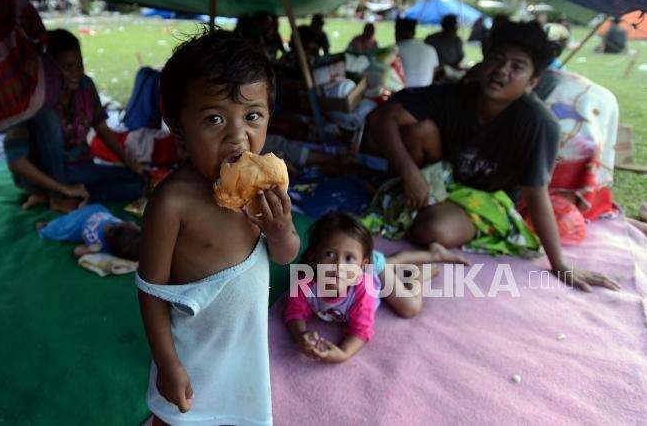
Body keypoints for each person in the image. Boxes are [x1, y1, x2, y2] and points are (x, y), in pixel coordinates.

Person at [364, 21, 620, 293]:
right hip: (442, 177)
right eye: (497, 59)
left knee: (433, 231)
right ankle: (417, 201)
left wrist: (559, 264)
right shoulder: (456, 93)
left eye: (517, 67)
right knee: (419, 130)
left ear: (532, 82)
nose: (502, 71)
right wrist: (409, 173)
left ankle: (420, 211)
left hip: (487, 198)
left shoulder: (538, 124)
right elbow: (382, 118)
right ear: (484, 62)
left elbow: (536, 195)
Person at [136, 29, 299, 424]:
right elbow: (150, 292)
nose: (237, 135)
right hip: (193, 354)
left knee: (237, 413)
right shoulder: (172, 203)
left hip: (245, 350)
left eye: (252, 116)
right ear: (177, 125)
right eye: (213, 118)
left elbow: (285, 254)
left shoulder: (263, 189)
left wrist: (280, 230)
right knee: (183, 417)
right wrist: (167, 364)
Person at [285, 213, 470, 363]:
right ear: (312, 256)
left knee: (410, 307)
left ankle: (418, 274)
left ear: (362, 264)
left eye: (348, 258)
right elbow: (294, 312)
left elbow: (361, 329)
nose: (339, 266)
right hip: (368, 263)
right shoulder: (305, 281)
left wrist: (343, 353)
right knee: (387, 263)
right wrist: (301, 335)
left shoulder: (363, 290)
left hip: (373, 270)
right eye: (330, 254)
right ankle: (400, 259)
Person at [5, 29, 145, 212]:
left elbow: (101, 128)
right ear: (49, 69)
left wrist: (129, 162)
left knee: (137, 184)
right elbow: (16, 161)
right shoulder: (35, 98)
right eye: (68, 67)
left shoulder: (85, 86)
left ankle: (69, 194)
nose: (76, 72)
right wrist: (61, 188)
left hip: (80, 170)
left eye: (79, 64)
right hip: (44, 175)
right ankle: (57, 197)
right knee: (47, 116)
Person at [394, 17, 439, 87]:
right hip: (425, 94)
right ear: (414, 32)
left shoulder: (393, 50)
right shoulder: (430, 49)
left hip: (402, 95)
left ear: (397, 31)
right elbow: (434, 74)